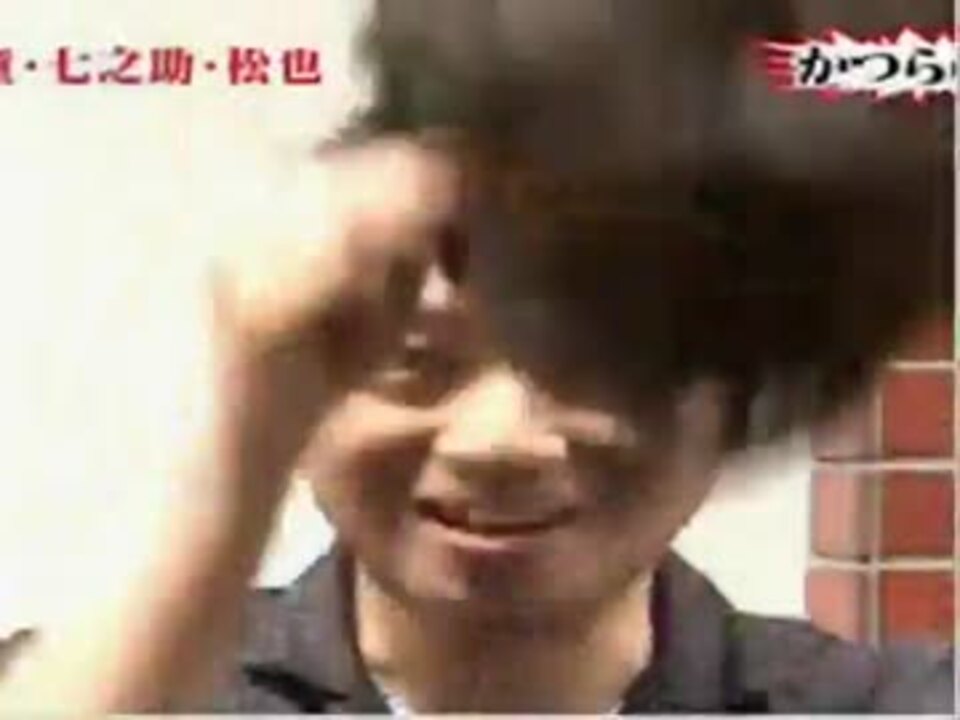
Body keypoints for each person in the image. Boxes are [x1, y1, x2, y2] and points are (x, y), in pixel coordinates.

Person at [0, 0, 953, 713]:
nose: (502, 440)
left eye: (587, 360)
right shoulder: (124, 680)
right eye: (416, 361)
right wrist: (238, 458)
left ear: (730, 388)